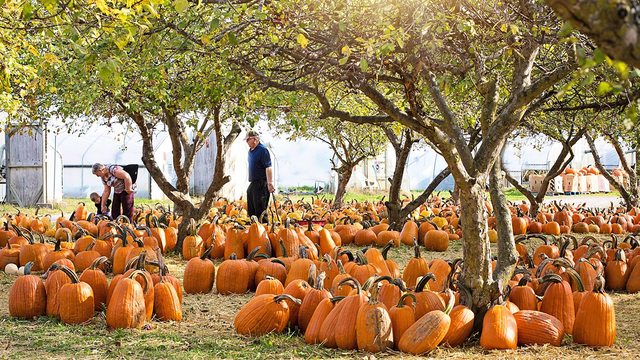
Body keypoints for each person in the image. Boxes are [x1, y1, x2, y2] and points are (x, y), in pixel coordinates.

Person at [245, 130, 275, 222]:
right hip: (253, 183)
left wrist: (270, 184)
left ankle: (263, 230)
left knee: (260, 210)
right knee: (251, 209)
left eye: (248, 140)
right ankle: (254, 227)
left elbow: (268, 167)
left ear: (254, 139)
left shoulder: (263, 150)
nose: (246, 142)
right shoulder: (250, 151)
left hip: (261, 183)